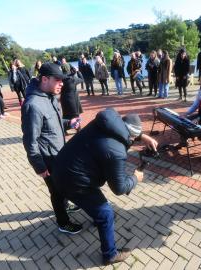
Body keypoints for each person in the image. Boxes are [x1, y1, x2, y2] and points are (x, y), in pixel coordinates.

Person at [51, 108, 158, 265]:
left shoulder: (106, 121)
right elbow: (119, 188)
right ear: (131, 135)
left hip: (60, 166)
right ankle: (110, 255)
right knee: (106, 214)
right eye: (135, 138)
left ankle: (95, 216)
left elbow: (124, 130)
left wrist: (142, 136)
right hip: (73, 180)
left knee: (96, 203)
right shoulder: (116, 151)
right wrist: (136, 178)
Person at [21, 63, 82, 234]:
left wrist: (68, 123)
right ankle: (63, 223)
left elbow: (52, 125)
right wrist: (39, 166)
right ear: (45, 79)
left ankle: (65, 206)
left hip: (59, 154)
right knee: (56, 191)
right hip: (48, 159)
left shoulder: (49, 96)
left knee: (62, 187)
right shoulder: (33, 105)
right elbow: (30, 140)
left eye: (62, 80)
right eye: (58, 80)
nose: (62, 83)